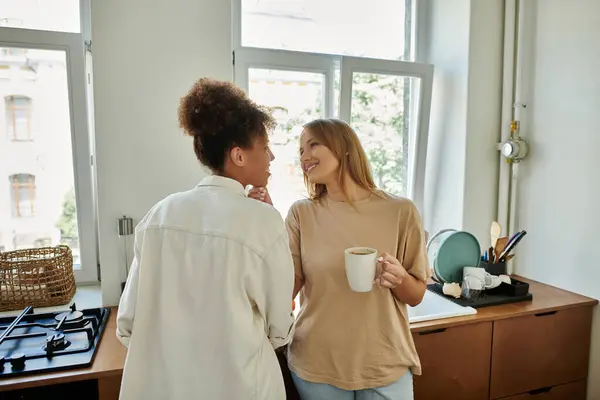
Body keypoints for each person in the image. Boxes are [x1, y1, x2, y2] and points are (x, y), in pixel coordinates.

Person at [116, 78, 295, 400]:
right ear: (238, 155)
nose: (270, 157)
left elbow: (128, 322)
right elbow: (279, 327)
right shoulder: (263, 221)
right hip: (241, 385)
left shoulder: (160, 213)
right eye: (265, 146)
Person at [249, 118, 430, 399]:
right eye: (300, 151)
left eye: (313, 145)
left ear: (343, 147)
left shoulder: (400, 211)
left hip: (384, 362)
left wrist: (400, 279)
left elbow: (416, 294)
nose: (304, 156)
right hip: (316, 363)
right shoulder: (301, 214)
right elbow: (287, 289)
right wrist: (267, 223)